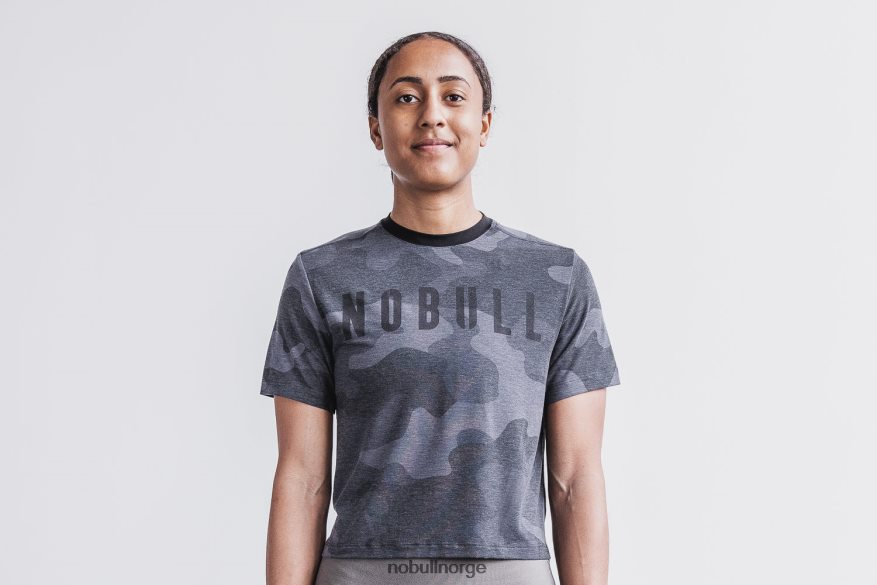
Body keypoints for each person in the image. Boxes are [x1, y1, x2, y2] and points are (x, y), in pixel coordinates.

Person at [260, 31, 621, 585]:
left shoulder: (557, 277)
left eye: (454, 96)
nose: (432, 115)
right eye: (407, 97)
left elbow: (575, 478)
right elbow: (302, 478)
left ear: (485, 124)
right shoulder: (321, 277)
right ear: (376, 128)